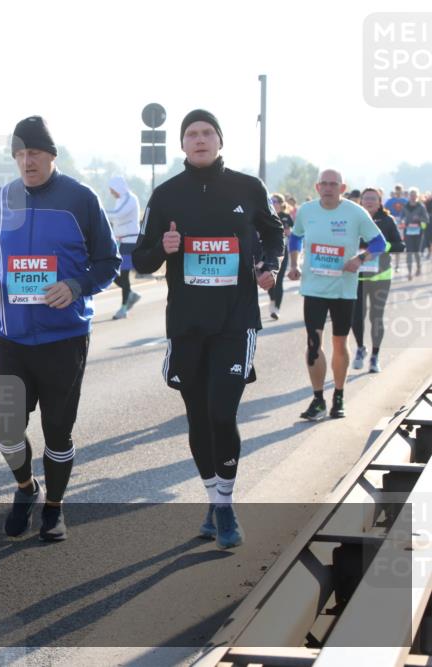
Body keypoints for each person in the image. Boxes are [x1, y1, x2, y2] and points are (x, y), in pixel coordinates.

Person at [133, 109, 285, 549]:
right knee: (198, 417)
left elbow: (273, 233)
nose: (199, 140)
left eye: (207, 133)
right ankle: (213, 498)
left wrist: (267, 263)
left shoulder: (247, 187)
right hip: (187, 323)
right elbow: (141, 260)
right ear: (182, 144)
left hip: (235, 321)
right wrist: (162, 247)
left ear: (219, 140)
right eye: (191, 134)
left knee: (223, 411)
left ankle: (226, 504)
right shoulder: (165, 195)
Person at [0, 115, 119, 542]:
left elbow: (109, 262)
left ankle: (54, 507)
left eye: (34, 153)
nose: (26, 161)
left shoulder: (81, 198)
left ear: (51, 155)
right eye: (19, 154)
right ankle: (26, 489)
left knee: (57, 431)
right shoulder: (0, 200)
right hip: (12, 338)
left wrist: (75, 285)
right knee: (7, 431)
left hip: (64, 338)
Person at [287, 169, 386, 421]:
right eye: (324, 184)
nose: (329, 188)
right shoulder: (307, 211)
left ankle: (338, 396)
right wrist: (294, 264)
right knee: (313, 344)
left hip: (343, 289)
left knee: (339, 343)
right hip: (314, 288)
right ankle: (318, 398)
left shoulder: (356, 212)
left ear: (342, 188)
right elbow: (295, 237)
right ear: (317, 187)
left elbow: (379, 243)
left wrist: (359, 259)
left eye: (334, 184)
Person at [351, 187, 405, 373]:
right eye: (366, 198)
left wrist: (382, 246)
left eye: (373, 198)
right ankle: (360, 348)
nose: (369, 201)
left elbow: (400, 246)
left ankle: (374, 356)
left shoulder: (387, 221)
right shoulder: (354, 219)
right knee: (356, 315)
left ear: (380, 201)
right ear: (361, 201)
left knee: (376, 317)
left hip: (381, 276)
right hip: (357, 275)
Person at [106, 176, 142, 319]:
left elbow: (118, 214)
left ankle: (123, 309)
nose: (111, 193)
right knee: (113, 272)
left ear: (118, 187)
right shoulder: (120, 200)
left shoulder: (129, 198)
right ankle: (131, 294)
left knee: (124, 275)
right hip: (120, 242)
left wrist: (100, 211)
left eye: (112, 190)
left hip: (130, 242)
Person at [267, 193, 295, 320]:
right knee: (270, 279)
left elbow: (292, 234)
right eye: (271, 201)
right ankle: (272, 299)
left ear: (281, 203)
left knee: (279, 280)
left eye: (276, 201)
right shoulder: (266, 215)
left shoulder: (286, 217)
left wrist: (287, 232)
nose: (273, 203)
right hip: (268, 252)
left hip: (283, 252)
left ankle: (276, 308)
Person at [402, 187, 429, 279]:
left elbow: (426, 219)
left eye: (414, 195)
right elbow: (401, 218)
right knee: (409, 252)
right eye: (411, 195)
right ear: (409, 196)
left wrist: (419, 219)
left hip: (418, 232)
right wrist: (402, 221)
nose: (413, 197)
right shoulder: (405, 206)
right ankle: (409, 272)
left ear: (417, 196)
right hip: (408, 232)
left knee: (416, 252)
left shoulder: (421, 206)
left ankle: (418, 267)